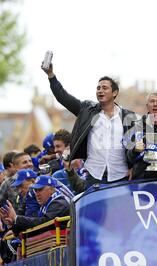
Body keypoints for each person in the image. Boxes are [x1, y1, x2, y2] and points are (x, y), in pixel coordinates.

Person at [43, 61, 137, 190]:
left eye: (104, 88)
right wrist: (51, 75)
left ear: (115, 93)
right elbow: (63, 97)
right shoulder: (87, 110)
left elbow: (135, 145)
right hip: (94, 175)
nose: (100, 91)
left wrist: (133, 167)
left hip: (121, 175)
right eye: (98, 88)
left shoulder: (128, 116)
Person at [0, 176, 71, 234]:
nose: (37, 194)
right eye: (35, 190)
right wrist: (12, 223)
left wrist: (16, 218)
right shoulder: (45, 204)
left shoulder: (59, 203)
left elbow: (43, 223)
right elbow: (34, 226)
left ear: (52, 189)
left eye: (40, 189)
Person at [0, 152, 34, 232]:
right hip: (19, 227)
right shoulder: (8, 183)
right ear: (15, 167)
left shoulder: (39, 178)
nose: (29, 164)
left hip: (34, 225)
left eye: (30, 161)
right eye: (25, 162)